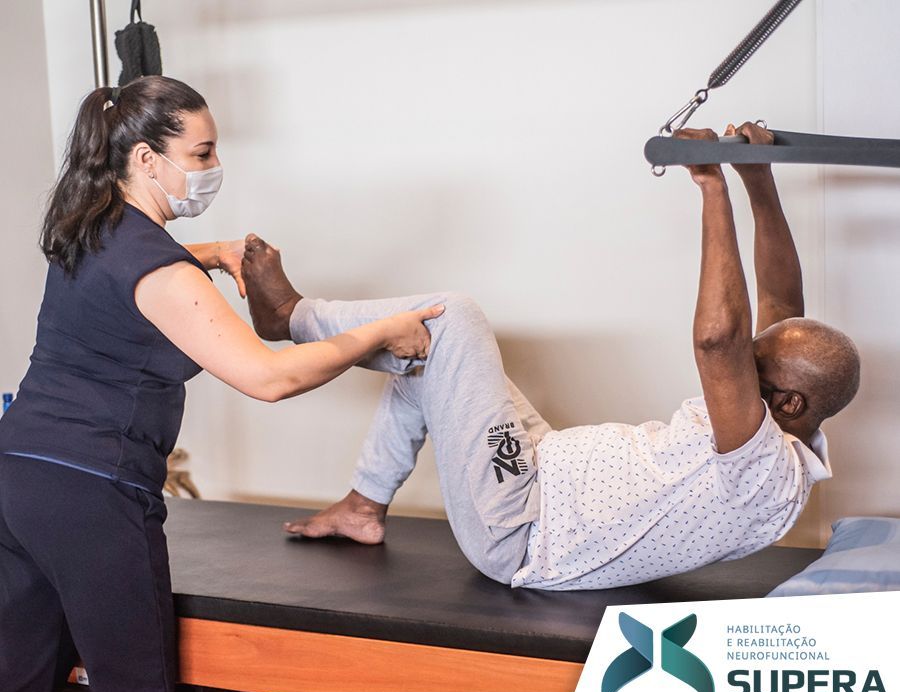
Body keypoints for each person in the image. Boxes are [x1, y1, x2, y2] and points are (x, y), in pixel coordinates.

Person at [241, 121, 860, 591]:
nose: (741, 359)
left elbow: (717, 340)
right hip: (533, 469)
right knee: (430, 353)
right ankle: (363, 506)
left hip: (520, 528)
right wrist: (758, 178)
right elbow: (783, 302)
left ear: (789, 402)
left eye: (753, 363)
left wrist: (711, 186)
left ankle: (289, 317)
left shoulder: (761, 474)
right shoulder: (786, 429)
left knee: (451, 318)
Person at [0, 75, 441, 692]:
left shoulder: (86, 229)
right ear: (146, 158)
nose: (214, 168)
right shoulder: (162, 272)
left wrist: (211, 252)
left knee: (20, 685)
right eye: (202, 154)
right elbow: (270, 377)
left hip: (17, 477)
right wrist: (381, 331)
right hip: (92, 493)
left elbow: (135, 266)